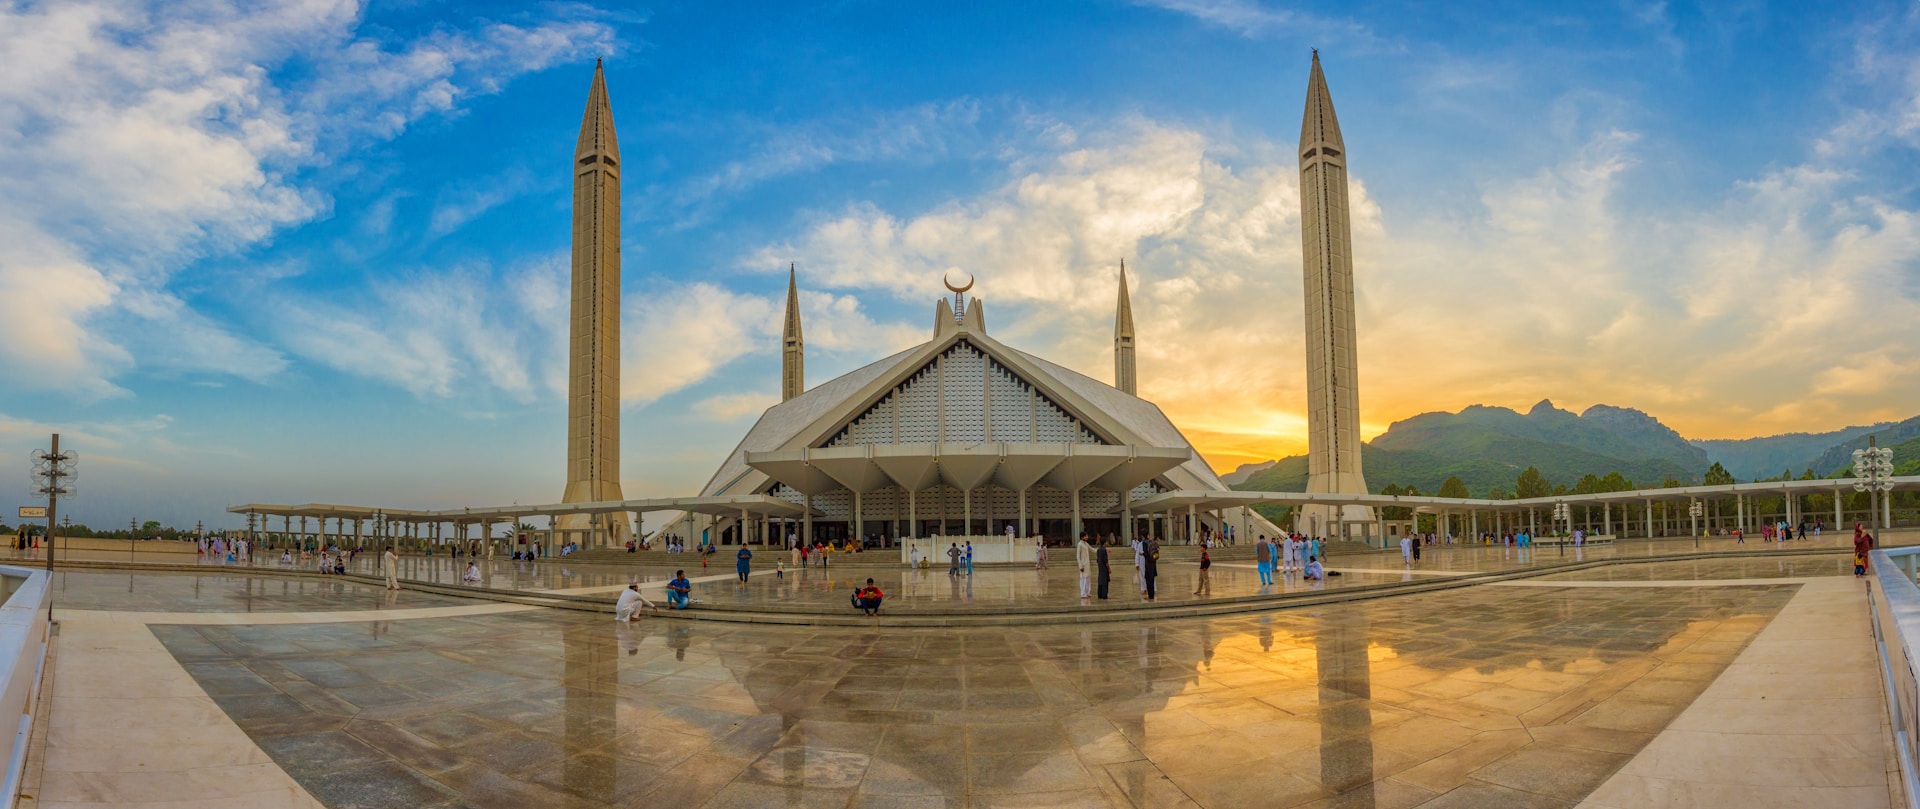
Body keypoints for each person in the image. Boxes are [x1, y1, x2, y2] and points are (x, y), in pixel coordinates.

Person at [1142, 535, 1159, 601]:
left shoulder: (1144, 543)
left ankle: (1150, 596)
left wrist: (1143, 554)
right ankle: (1152, 595)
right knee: (1152, 580)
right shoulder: (1152, 542)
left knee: (1148, 580)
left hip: (1148, 564)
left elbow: (1146, 555)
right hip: (1153, 562)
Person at [1076, 533, 1093, 600]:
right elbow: (1078, 556)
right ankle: (1083, 593)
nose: (1087, 537)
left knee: (1088, 578)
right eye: (1086, 536)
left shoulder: (1086, 544)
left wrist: (1101, 550)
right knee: (1083, 579)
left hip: (1087, 564)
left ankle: (1087, 592)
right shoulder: (1079, 544)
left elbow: (1092, 549)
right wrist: (1080, 566)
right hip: (1083, 564)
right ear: (1082, 537)